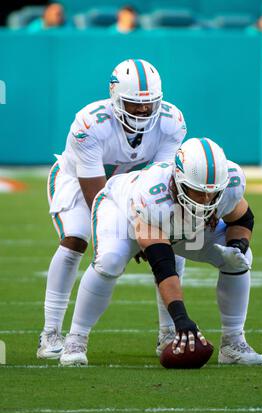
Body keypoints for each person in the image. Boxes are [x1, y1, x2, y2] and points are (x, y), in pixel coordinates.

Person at [60, 137, 262, 366]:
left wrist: (238, 245)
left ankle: (233, 342)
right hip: (121, 211)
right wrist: (182, 319)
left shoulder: (230, 182)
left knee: (241, 259)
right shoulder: (153, 194)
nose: (207, 199)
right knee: (110, 261)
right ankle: (76, 339)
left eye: (213, 192)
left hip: (181, 222)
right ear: (178, 180)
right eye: (198, 191)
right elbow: (163, 267)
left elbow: (242, 218)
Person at [37, 58, 187, 360]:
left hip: (132, 187)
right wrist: (126, 232)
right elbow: (95, 194)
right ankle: (50, 332)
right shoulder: (91, 123)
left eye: (150, 104)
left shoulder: (172, 122)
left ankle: (168, 333)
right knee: (77, 238)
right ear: (116, 97)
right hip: (79, 181)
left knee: (171, 243)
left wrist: (149, 231)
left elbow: (161, 178)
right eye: (134, 104)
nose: (144, 111)